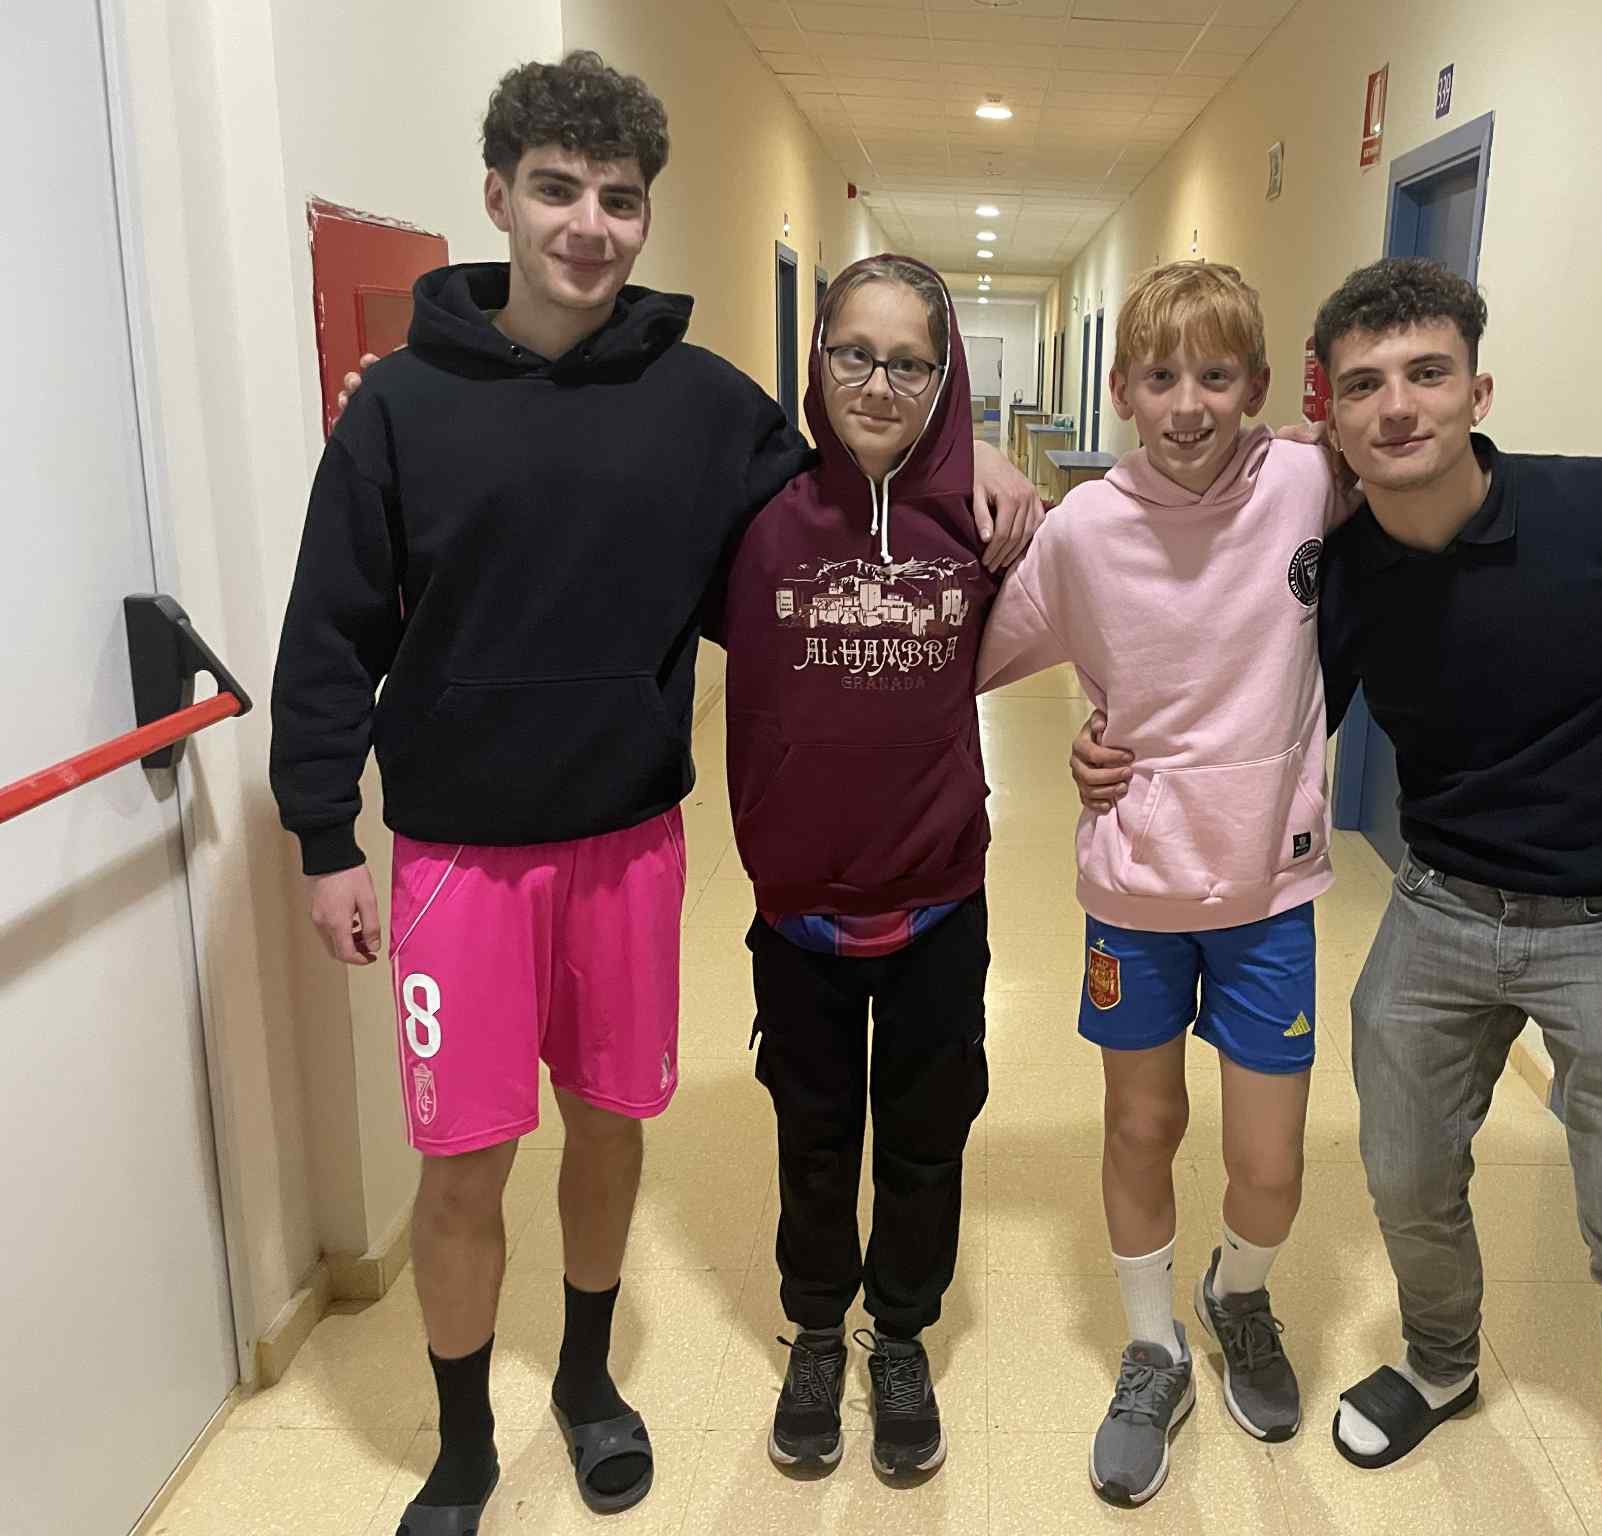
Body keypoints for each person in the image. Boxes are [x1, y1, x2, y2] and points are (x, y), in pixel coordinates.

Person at [277, 54, 1035, 1535]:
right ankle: (460, 1446)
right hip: (455, 856)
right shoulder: (401, 409)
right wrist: (323, 834)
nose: (588, 224)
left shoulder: (701, 405)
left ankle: (584, 1379)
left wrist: (980, 453)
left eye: (617, 199)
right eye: (555, 190)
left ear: (643, 216)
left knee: (611, 1127)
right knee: (461, 1160)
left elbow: (844, 485)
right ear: (499, 198)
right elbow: (329, 634)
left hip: (627, 839)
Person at [1074, 257, 1602, 1535]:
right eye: (1364, 384)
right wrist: (1112, 755)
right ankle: (1439, 1361)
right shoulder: (1344, 564)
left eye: (1425, 374)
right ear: (1327, 409)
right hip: (1441, 908)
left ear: (1477, 389)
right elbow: (1262, 709)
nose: (1397, 406)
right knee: (1405, 1175)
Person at [975, 261, 1349, 1506]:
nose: (1188, 404)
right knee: (1141, 1126)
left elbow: (1427, 471)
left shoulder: (1304, 482)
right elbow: (972, 655)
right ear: (1122, 389)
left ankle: (1236, 1295)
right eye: (1160, 376)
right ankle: (1151, 1349)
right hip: (1133, 891)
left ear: (1257, 385)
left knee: (1269, 1166)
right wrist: (968, 466)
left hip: (1268, 895)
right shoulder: (1083, 531)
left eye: (1215, 376)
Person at [712, 255, 993, 1479]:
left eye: (909, 363)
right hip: (800, 918)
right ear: (817, 359)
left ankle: (902, 1335)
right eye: (854, 355)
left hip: (938, 902)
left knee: (927, 1138)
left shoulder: (980, 526)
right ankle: (818, 1330)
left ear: (944, 378)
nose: (879, 385)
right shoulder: (754, 525)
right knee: (814, 1134)